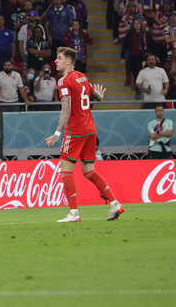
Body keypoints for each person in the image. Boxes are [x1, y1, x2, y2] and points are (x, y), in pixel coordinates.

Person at [45, 47, 124, 223]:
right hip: (91, 130)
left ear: (69, 61)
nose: (55, 61)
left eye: (59, 58)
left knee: (66, 172)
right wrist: (101, 96)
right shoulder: (82, 76)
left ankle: (74, 213)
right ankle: (115, 203)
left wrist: (57, 133)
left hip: (75, 132)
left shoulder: (64, 81)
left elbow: (66, 108)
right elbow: (97, 96)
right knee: (89, 171)